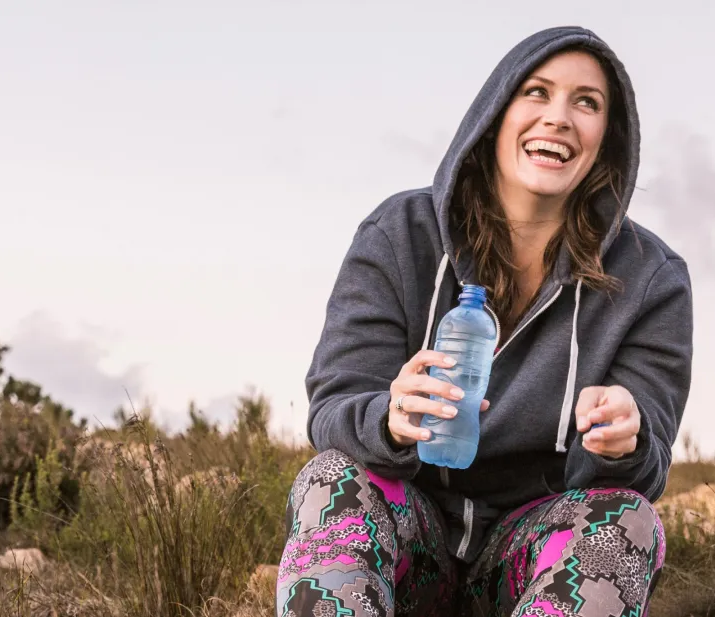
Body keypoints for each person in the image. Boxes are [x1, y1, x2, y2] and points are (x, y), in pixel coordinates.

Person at [276, 26, 692, 617]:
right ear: (495, 112)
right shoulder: (398, 235)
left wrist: (623, 442)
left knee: (628, 520)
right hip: (409, 540)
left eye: (587, 102)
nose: (559, 118)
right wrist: (389, 419)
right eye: (536, 92)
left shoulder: (652, 279)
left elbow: (646, 468)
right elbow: (333, 411)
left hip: (530, 558)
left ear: (608, 137)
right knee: (332, 479)